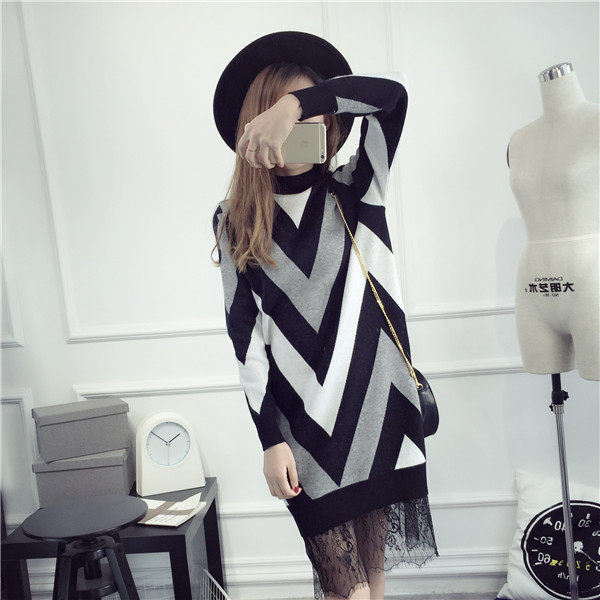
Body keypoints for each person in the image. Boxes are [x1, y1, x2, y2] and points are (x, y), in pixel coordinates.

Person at [211, 31, 439, 600]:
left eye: (306, 116)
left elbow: (392, 98)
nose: (293, 128)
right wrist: (269, 440)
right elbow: (246, 340)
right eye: (277, 114)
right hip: (304, 433)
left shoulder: (359, 186)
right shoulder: (236, 219)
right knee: (346, 589)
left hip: (379, 410)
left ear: (328, 121)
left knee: (373, 581)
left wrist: (295, 104)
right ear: (253, 125)